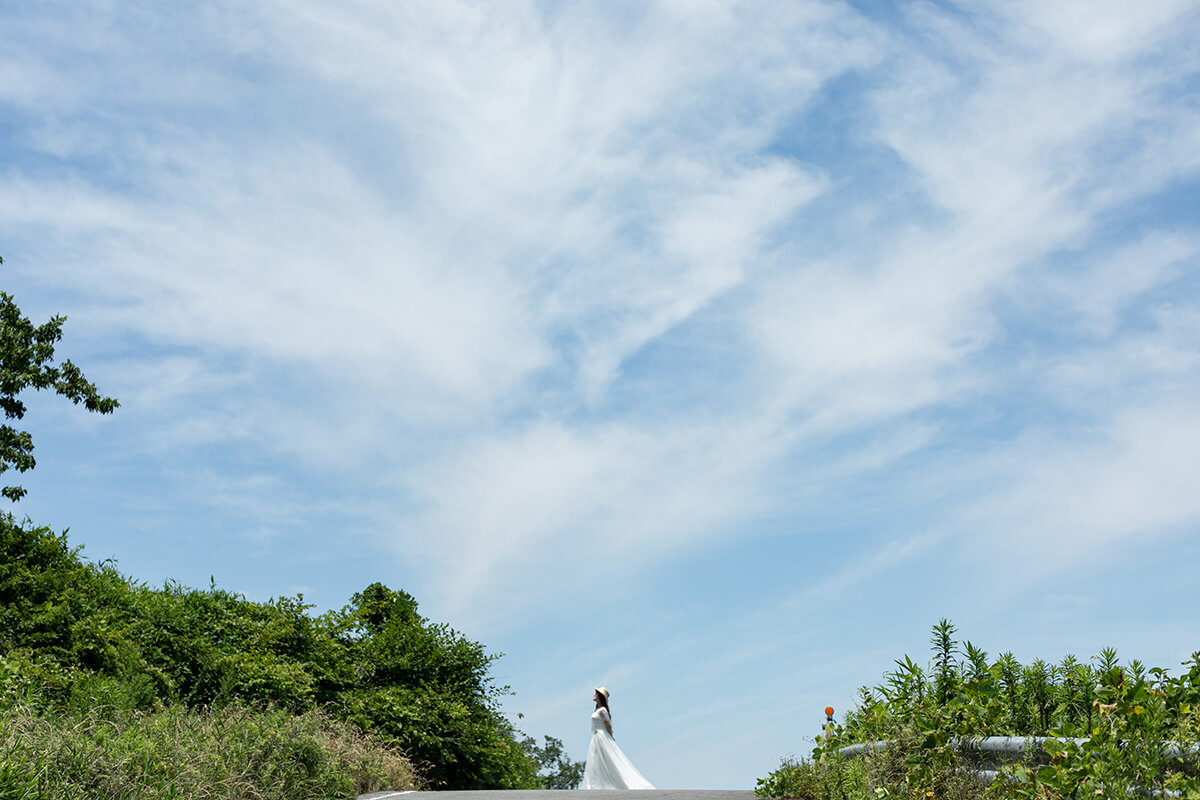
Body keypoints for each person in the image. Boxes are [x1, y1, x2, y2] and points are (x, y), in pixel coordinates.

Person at [582, 686, 655, 790]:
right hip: (596, 736)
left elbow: (608, 724)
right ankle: (596, 783)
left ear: (600, 697)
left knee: (608, 758)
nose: (594, 695)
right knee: (596, 759)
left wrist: (611, 737)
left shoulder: (603, 710)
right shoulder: (598, 710)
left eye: (596, 694)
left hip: (602, 736)